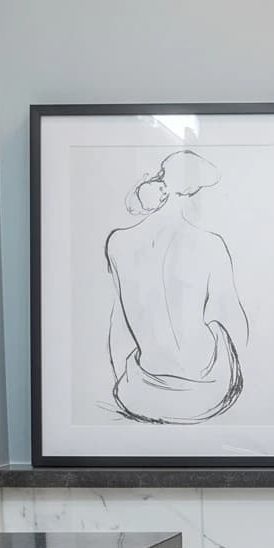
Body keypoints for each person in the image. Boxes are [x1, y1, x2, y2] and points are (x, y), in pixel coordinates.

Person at [104, 146, 250, 424]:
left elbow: (118, 327)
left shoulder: (117, 243)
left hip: (139, 392)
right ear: (193, 194)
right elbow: (234, 321)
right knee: (219, 326)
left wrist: (123, 380)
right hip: (205, 394)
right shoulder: (211, 245)